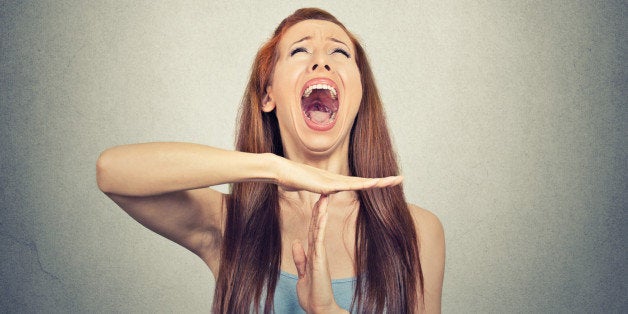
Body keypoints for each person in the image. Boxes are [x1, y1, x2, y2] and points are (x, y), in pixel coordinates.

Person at [96, 7, 444, 313]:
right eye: (299, 50)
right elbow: (112, 171)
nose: (321, 60)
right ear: (268, 95)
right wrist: (272, 167)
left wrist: (325, 310)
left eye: (339, 51)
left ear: (359, 93)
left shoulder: (417, 231)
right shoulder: (230, 223)